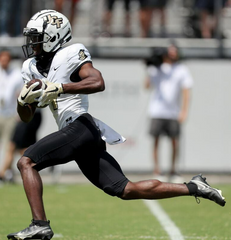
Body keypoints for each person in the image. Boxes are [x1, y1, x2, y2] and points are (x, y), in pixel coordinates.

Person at [7, 10, 225, 240]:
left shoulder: (70, 53)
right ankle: (194, 187)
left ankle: (39, 224)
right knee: (125, 189)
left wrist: (60, 87)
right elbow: (26, 116)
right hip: (76, 134)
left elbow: (98, 82)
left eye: (36, 37)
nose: (32, 43)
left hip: (81, 126)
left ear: (53, 36)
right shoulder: (29, 67)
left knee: (26, 161)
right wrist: (23, 100)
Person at [144, 45, 193, 182]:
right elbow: (147, 86)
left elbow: (186, 91)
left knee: (174, 141)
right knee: (156, 141)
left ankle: (173, 170)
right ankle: (157, 170)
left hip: (173, 112)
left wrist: (184, 111)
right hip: (157, 110)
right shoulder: (156, 68)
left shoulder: (181, 69)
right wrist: (149, 68)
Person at [0, 50, 24, 182]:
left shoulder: (16, 74)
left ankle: (5, 173)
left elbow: (21, 93)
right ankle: (6, 172)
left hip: (9, 114)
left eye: (6, 59)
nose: (4, 62)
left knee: (9, 145)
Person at [0, 109, 42, 182]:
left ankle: (2, 174)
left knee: (16, 147)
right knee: (18, 148)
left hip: (29, 116)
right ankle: (6, 174)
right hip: (27, 116)